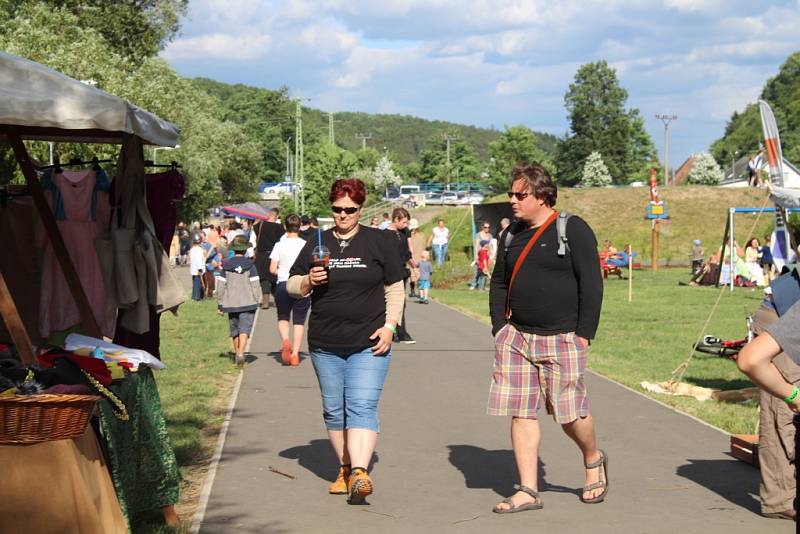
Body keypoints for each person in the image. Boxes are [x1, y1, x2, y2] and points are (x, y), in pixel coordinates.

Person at [488, 163, 605, 513]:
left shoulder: (573, 229)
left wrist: (584, 334)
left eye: (520, 195)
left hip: (563, 337)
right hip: (517, 337)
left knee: (569, 414)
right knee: (521, 412)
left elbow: (592, 284)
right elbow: (498, 283)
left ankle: (593, 458)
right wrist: (500, 327)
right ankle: (527, 489)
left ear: (542, 195)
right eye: (511, 193)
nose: (512, 200)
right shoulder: (510, 235)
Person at [286, 178, 405, 505]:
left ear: (361, 209)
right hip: (325, 342)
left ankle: (360, 473)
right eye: (337, 209)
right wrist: (309, 280)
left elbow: (395, 288)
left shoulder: (379, 241)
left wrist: (390, 327)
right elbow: (290, 285)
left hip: (369, 341)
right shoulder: (315, 241)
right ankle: (345, 467)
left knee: (362, 405)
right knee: (334, 409)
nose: (342, 215)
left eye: (350, 210)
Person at [737, 299, 800, 520]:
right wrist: (793, 395)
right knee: (783, 414)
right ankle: (780, 500)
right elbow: (751, 360)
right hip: (783, 314)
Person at [269, 214, 310, 367]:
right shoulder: (306, 244)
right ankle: (295, 354)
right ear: (300, 227)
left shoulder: (279, 245)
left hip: (283, 283)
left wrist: (282, 271)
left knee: (283, 317)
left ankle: (286, 340)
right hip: (301, 284)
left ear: (285, 227)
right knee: (299, 321)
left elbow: (272, 269)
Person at [216, 235, 261, 368]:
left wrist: (220, 303)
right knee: (244, 329)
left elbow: (220, 286)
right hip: (248, 302)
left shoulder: (226, 266)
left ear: (233, 250)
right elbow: (255, 284)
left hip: (231, 303)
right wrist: (256, 299)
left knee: (234, 329)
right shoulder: (251, 266)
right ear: (245, 250)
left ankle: (237, 353)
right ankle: (241, 353)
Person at [387, 207, 416, 344]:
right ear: (396, 220)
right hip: (388, 273)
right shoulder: (384, 234)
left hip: (401, 271)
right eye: (404, 222)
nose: (406, 225)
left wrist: (415, 267)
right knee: (389, 303)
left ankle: (401, 331)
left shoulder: (404, 232)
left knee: (401, 303)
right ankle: (390, 331)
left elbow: (406, 253)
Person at [255, 210, 285, 310]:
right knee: (274, 277)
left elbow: (254, 225)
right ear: (276, 216)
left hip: (261, 255)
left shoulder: (260, 225)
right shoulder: (280, 227)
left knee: (264, 278)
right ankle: (278, 300)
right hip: (274, 254)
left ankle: (265, 301)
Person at [189, 234, 206, 301]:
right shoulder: (199, 250)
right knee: (197, 284)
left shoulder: (192, 249)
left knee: (196, 283)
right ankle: (196, 297)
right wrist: (200, 268)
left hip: (194, 269)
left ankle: (199, 296)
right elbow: (199, 259)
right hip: (198, 269)